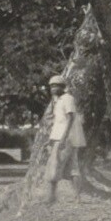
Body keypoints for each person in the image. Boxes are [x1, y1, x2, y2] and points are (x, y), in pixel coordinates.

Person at [44, 74, 87, 202]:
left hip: (65, 138)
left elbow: (70, 119)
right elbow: (59, 122)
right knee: (73, 167)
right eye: (51, 86)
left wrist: (63, 138)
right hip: (64, 138)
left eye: (56, 86)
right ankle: (77, 197)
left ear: (62, 87)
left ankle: (51, 196)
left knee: (54, 165)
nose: (53, 88)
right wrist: (51, 139)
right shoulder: (59, 100)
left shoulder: (67, 99)